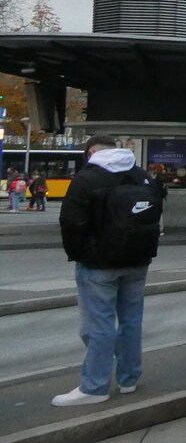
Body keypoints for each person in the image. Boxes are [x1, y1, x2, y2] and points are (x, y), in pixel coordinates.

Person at [53, 135, 160, 406]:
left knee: (98, 326)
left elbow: (70, 222)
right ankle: (129, 378)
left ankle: (94, 387)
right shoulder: (141, 175)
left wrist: (79, 254)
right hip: (138, 261)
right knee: (131, 321)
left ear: (90, 152)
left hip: (98, 264)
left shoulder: (87, 178)